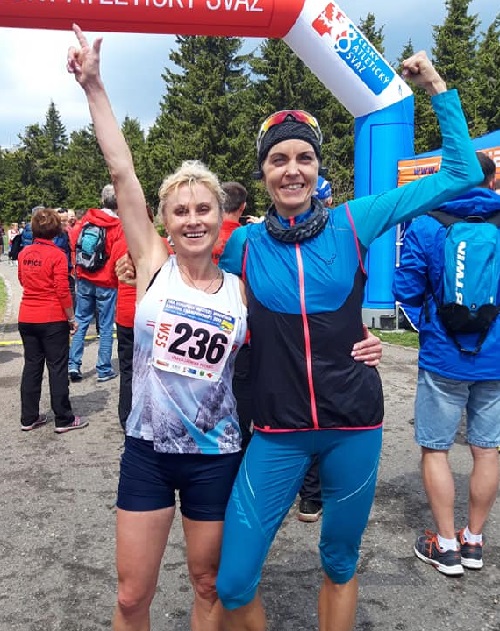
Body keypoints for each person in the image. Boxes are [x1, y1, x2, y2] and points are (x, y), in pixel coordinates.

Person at [215, 54, 483, 630]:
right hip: (278, 431)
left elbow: (463, 173)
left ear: (318, 167)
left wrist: (436, 86)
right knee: (233, 582)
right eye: (279, 159)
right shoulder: (243, 246)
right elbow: (178, 268)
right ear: (262, 172)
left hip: (354, 426)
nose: (293, 170)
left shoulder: (354, 221)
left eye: (304, 158)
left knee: (339, 561)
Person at [67, 25, 251, 631]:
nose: (193, 220)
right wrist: (94, 85)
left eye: (204, 209)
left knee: (208, 585)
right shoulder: (151, 264)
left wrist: (361, 341)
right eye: (181, 211)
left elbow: (301, 326)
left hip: (216, 453)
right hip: (147, 451)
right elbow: (122, 172)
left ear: (222, 217)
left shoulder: (242, 289)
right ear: (165, 222)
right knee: (130, 597)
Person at [392, 151, 500, 576]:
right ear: (492, 182)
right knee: (487, 450)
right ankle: (474, 540)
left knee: (435, 449)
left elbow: (405, 287)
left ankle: (447, 545)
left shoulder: (426, 223)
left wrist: (429, 325)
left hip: (442, 357)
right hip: (495, 360)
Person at [17, 208, 87, 433]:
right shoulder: (57, 255)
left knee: (32, 366)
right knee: (57, 368)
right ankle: (63, 418)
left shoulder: (24, 253)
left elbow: (22, 280)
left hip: (27, 315)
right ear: (56, 229)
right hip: (51, 317)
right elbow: (62, 290)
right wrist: (71, 317)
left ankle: (28, 417)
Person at [68, 184, 123, 383]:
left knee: (81, 320)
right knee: (106, 325)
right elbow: (119, 254)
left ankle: (73, 364)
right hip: (106, 280)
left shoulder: (87, 219)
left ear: (102, 200)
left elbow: (75, 242)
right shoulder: (119, 225)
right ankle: (103, 368)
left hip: (84, 276)